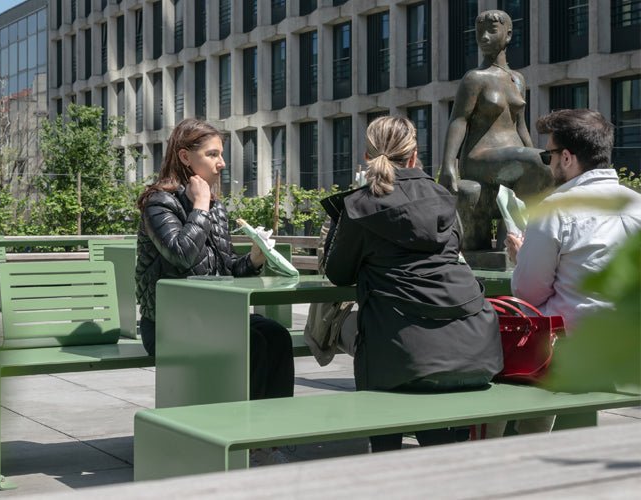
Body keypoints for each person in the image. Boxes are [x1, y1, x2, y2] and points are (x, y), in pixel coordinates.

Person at [323, 116, 504, 451]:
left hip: (400, 355)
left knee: (337, 326)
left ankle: (391, 457)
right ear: (414, 154)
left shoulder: (361, 205)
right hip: (472, 345)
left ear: (367, 156)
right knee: (433, 430)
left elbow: (338, 273)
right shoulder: (444, 197)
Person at [135, 119, 295, 463]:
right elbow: (181, 253)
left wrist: (254, 256)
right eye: (213, 154)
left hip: (213, 318)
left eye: (221, 155)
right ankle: (235, 435)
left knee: (275, 335)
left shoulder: (215, 207)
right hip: (169, 324)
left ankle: (268, 434)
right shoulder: (158, 203)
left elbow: (225, 269)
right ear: (185, 157)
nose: (221, 163)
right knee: (250, 343)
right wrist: (200, 207)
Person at [486, 109, 641, 439]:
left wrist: (520, 256)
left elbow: (527, 295)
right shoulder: (635, 203)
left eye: (548, 155)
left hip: (571, 353)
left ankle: (494, 455)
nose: (548, 162)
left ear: (567, 157)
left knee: (492, 342)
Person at [439, 9, 553, 250]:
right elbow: (458, 120)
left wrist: (537, 165)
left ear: (508, 35)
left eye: (492, 31)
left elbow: (520, 125)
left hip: (514, 159)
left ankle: (508, 242)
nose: (484, 37)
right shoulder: (474, 78)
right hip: (480, 158)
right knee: (540, 162)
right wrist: (448, 164)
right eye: (480, 32)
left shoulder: (518, 80)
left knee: (546, 167)